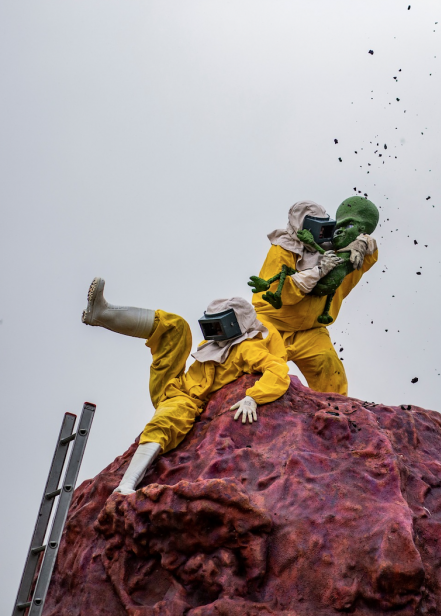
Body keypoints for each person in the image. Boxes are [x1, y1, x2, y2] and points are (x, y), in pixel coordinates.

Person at [81, 278, 290, 494]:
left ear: (236, 324)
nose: (212, 332)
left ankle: (126, 484)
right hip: (174, 384)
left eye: (217, 326)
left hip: (188, 400)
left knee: (165, 421)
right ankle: (102, 314)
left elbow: (278, 370)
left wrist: (253, 397)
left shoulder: (247, 349)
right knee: (176, 326)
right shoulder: (213, 345)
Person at [252, 197, 379, 395]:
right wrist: (318, 271)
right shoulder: (282, 249)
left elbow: (363, 261)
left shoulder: (332, 246)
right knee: (263, 368)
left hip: (311, 330)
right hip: (272, 324)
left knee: (331, 371)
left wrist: (363, 241)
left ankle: (335, 417)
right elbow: (284, 294)